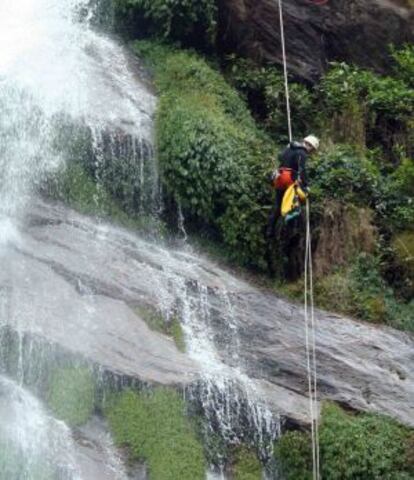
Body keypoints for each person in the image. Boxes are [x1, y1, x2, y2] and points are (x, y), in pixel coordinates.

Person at [266, 134, 319, 239]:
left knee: (278, 204)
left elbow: (280, 157)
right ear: (311, 147)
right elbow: (302, 170)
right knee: (294, 204)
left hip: (279, 177)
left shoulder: (290, 147)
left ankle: (270, 230)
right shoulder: (302, 153)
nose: (311, 152)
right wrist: (306, 185)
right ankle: (291, 230)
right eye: (312, 150)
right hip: (289, 180)